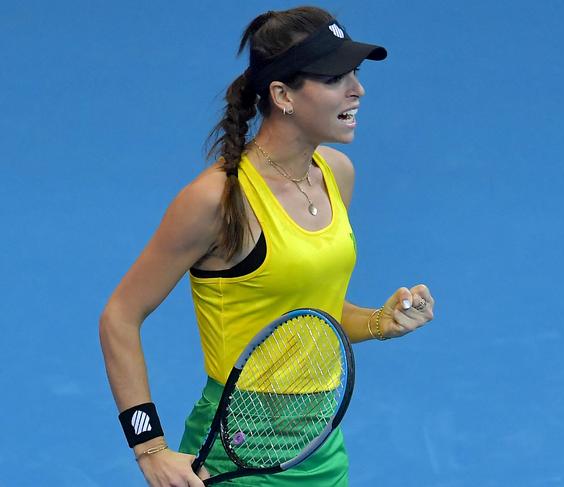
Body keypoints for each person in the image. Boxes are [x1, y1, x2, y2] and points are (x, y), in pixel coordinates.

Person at [99, 6, 434, 487]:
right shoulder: (216, 200)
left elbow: (309, 313)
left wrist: (381, 322)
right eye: (336, 77)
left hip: (320, 450)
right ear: (282, 95)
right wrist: (149, 448)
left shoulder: (337, 174)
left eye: (355, 74)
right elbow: (119, 316)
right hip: (234, 454)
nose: (357, 89)